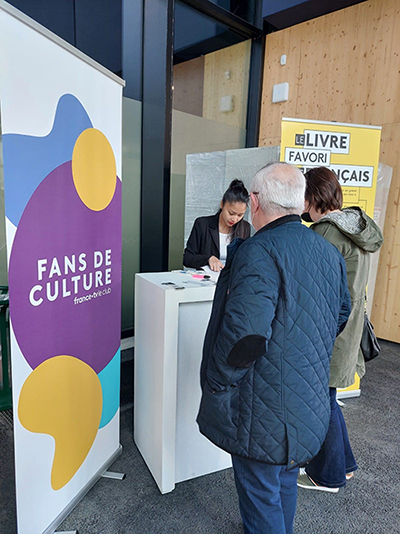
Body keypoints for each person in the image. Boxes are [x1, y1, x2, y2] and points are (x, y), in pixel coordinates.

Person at [197, 162, 351, 534]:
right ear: (300, 202)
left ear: (254, 201)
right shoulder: (327, 251)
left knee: (260, 490)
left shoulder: (257, 251)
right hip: (307, 400)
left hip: (262, 407)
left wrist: (217, 382)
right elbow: (341, 312)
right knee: (283, 478)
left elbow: (245, 337)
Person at [297, 166, 383, 493]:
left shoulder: (325, 233)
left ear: (311, 196)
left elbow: (312, 291)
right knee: (329, 398)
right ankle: (343, 466)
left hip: (330, 333)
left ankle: (328, 475)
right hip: (349, 330)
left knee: (323, 402)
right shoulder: (355, 226)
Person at [183, 179, 250, 271]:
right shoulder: (203, 224)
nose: (234, 219)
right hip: (207, 280)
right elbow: (187, 258)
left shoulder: (244, 227)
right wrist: (208, 259)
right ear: (222, 204)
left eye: (240, 215)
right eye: (231, 213)